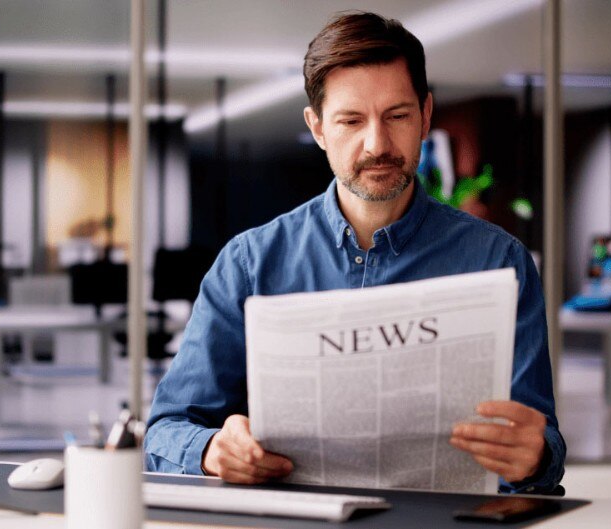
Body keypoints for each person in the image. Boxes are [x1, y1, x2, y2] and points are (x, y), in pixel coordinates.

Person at [145, 11, 565, 494]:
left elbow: (542, 445)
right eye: (351, 120)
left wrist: (534, 457)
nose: (376, 144)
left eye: (398, 116)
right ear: (318, 128)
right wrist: (211, 450)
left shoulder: (499, 262)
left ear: (426, 115)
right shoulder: (248, 264)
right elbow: (165, 430)